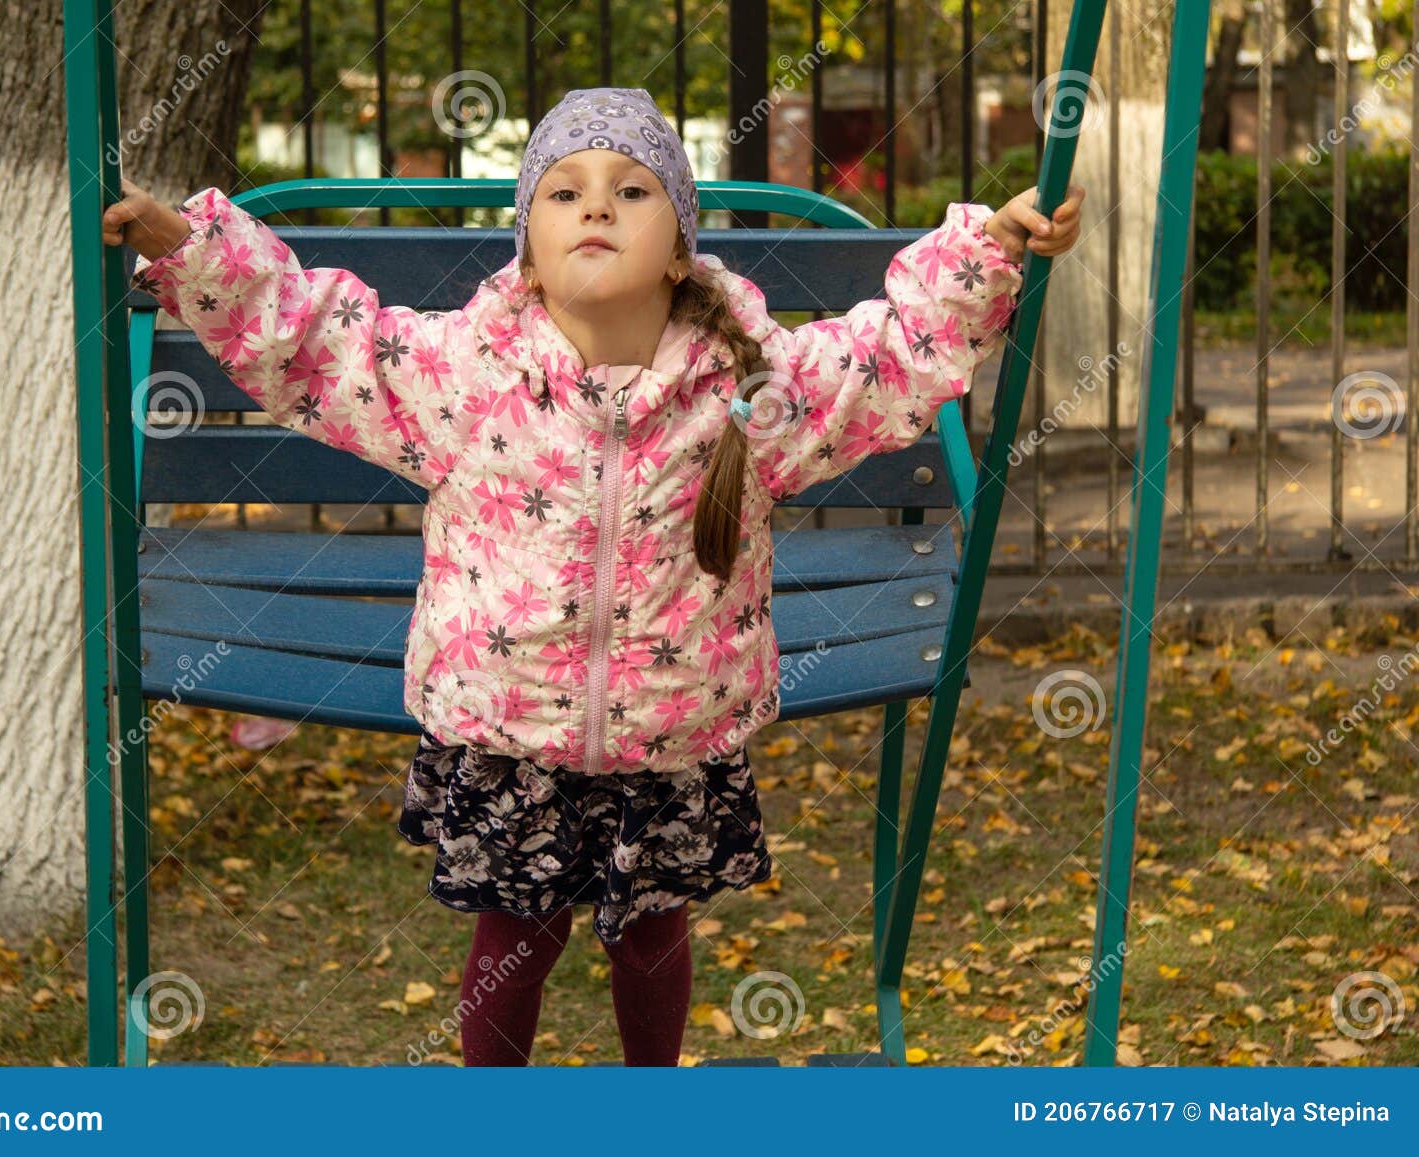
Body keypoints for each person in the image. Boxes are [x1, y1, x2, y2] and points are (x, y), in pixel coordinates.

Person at [103, 85, 1085, 1067]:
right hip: (513, 726)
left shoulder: (752, 390)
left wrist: (990, 252)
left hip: (673, 727)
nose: (597, 207)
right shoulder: (462, 377)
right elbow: (319, 344)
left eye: (631, 188)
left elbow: (881, 360)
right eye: (564, 192)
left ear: (679, 245)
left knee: (653, 936)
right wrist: (185, 246)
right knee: (515, 938)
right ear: (526, 246)